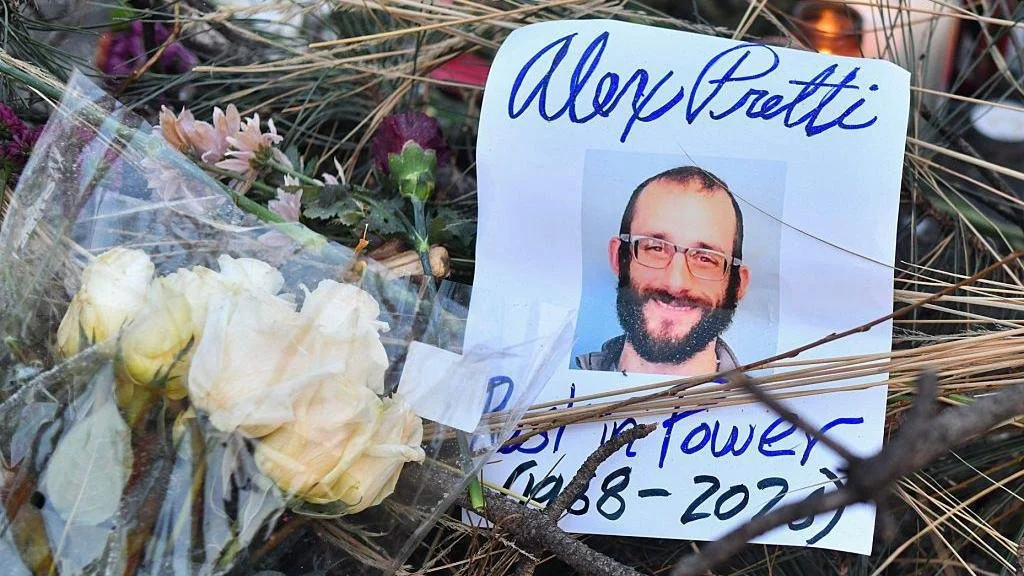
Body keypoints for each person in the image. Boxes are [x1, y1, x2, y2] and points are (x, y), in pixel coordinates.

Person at [575, 166, 750, 376]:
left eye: (705, 258)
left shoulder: (771, 397)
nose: (675, 284)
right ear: (618, 258)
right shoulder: (551, 383)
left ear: (738, 285)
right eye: (655, 248)